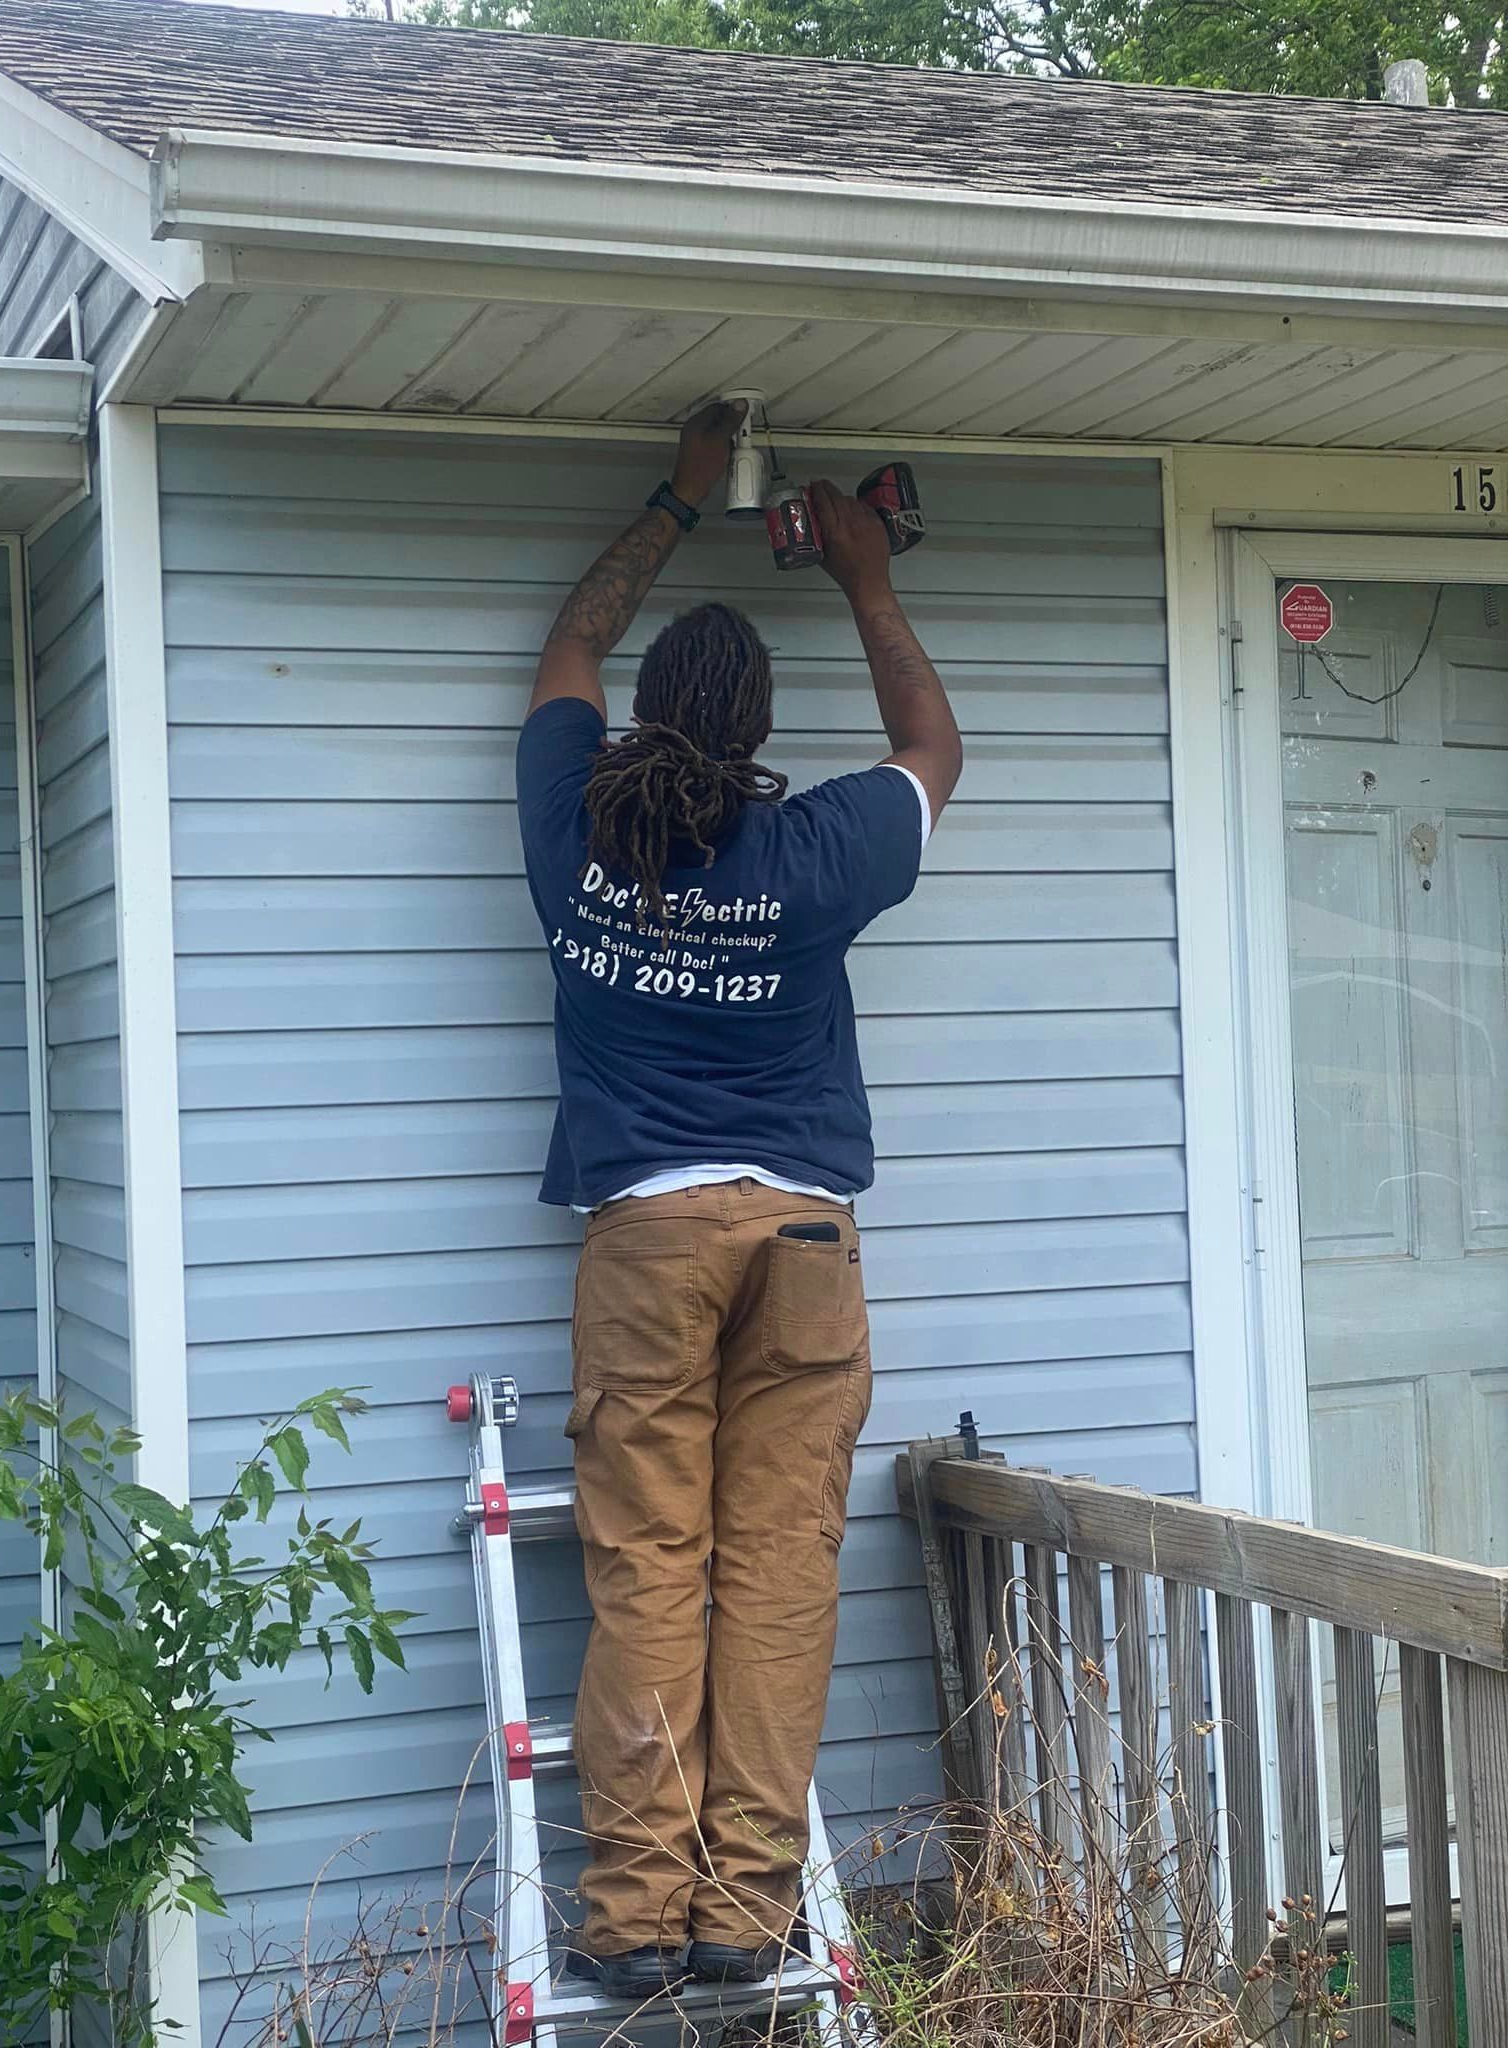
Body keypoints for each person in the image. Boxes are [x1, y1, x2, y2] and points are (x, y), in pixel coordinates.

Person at [515, 401, 962, 2001]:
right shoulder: (816, 848)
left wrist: (671, 499)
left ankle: (635, 1918)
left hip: (644, 1238)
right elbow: (932, 753)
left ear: (643, 715)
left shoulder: (575, 826)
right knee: (776, 1574)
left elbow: (570, 642)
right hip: (800, 1244)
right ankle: (743, 1914)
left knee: (650, 1570)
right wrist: (861, 577)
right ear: (762, 723)